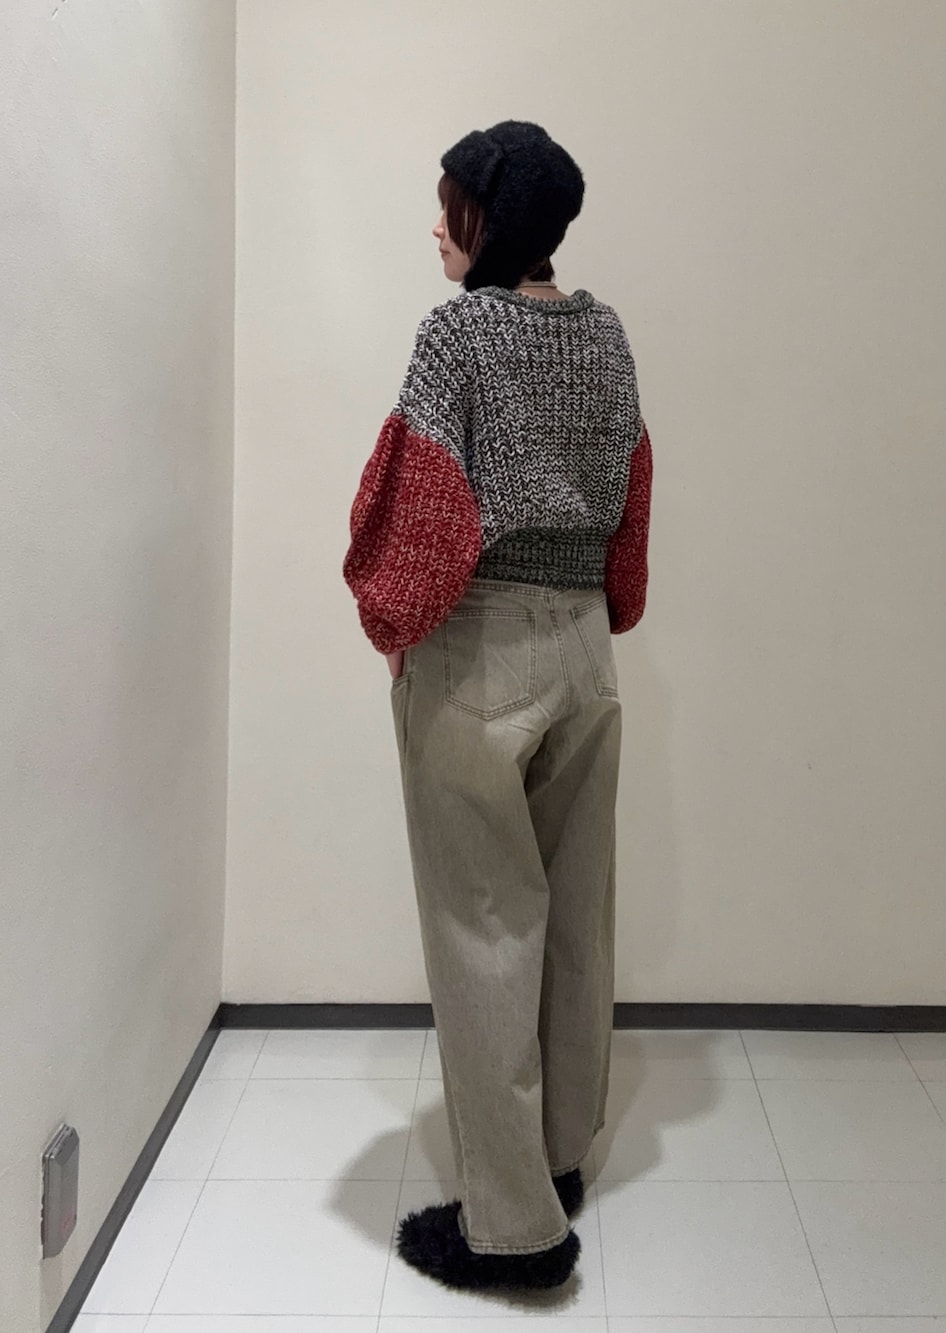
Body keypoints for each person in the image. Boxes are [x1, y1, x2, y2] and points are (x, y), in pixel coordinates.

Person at [343, 120, 652, 1293]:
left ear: (493, 218)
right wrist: (601, 608)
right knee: (575, 914)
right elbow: (633, 487)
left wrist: (395, 626)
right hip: (582, 656)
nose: (436, 226)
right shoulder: (606, 333)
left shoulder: (457, 333)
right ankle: (557, 1160)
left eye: (451, 206)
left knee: (486, 928)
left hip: (479, 653)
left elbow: (417, 502)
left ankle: (512, 1230)